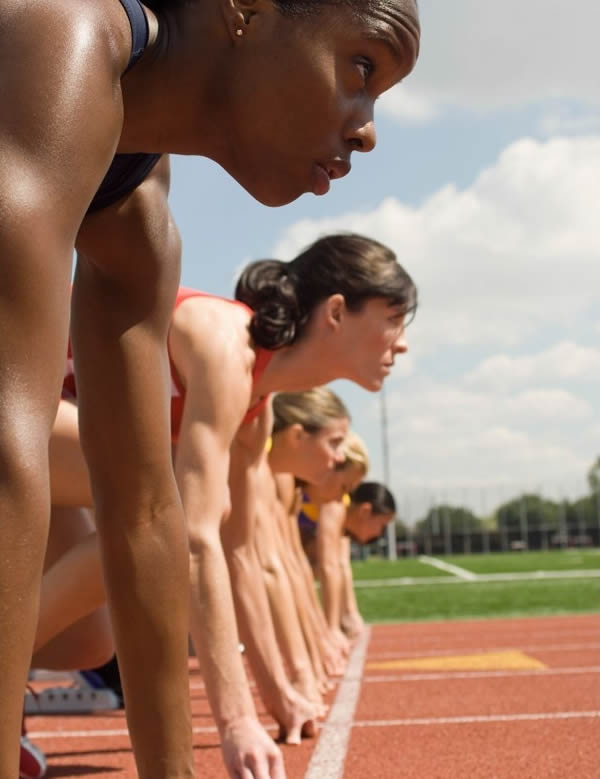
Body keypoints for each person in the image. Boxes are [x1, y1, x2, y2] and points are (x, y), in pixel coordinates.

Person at [2, 0, 421, 774]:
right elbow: (7, 445)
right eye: (362, 67)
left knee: (95, 621)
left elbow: (147, 508)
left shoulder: (137, 193)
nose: (367, 127)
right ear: (247, 10)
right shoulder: (57, 37)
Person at [32, 232, 417, 776]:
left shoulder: (256, 408)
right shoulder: (223, 344)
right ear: (337, 311)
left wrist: (279, 695)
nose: (402, 344)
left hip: (43, 425)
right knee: (154, 509)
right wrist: (236, 721)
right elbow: (193, 539)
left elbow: (241, 556)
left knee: (89, 641)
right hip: (20, 400)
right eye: (395, 319)